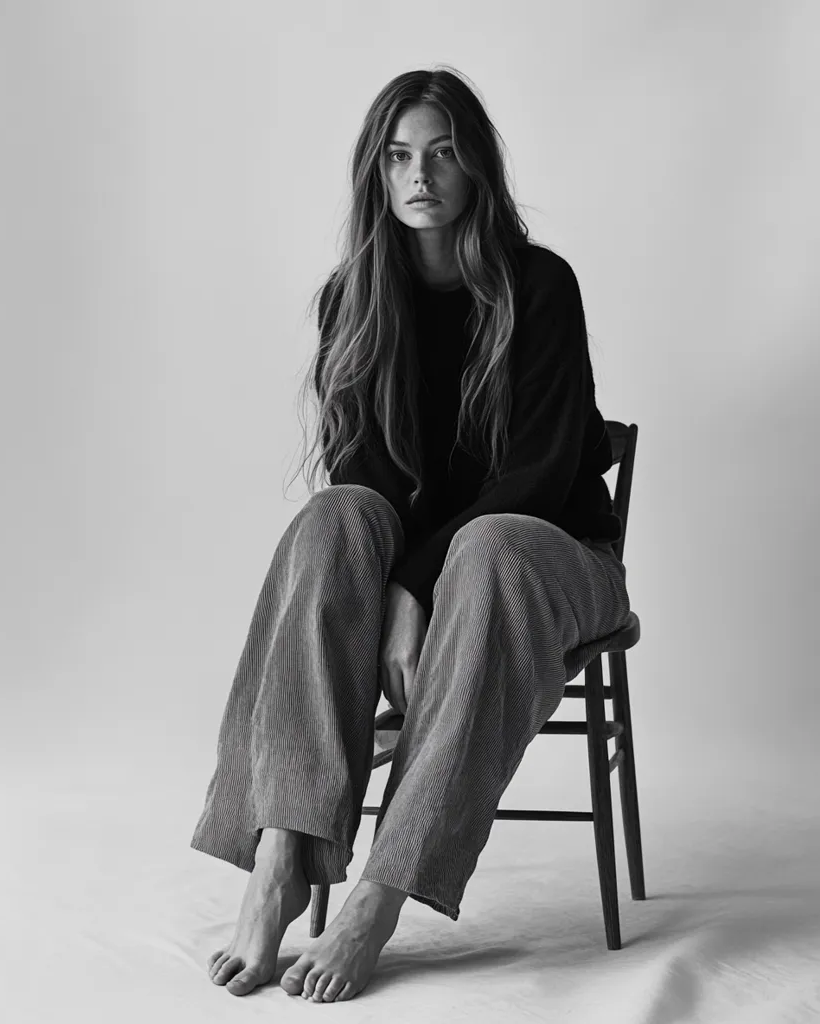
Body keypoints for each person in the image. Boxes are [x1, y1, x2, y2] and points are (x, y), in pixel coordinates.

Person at [190, 64, 630, 1004]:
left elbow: (542, 475)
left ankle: (378, 899)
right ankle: (279, 856)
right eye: (399, 157)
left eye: (442, 154)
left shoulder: (541, 288)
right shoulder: (354, 298)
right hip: (435, 580)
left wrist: (410, 591)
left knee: (493, 544)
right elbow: (368, 477)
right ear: (377, 175)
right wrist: (398, 590)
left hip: (553, 565)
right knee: (333, 514)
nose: (420, 175)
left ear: (474, 169)